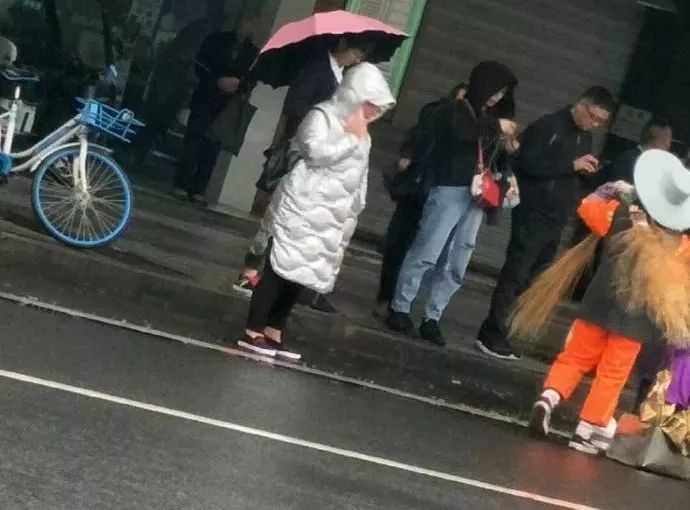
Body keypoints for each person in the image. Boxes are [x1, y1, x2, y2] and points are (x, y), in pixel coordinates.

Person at [509, 149, 690, 455]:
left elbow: (586, 209)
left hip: (597, 303)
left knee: (575, 357)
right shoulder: (681, 246)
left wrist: (607, 191)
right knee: (612, 372)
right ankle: (586, 430)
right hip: (636, 320)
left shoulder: (620, 214)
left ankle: (549, 397)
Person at [236, 62, 395, 359]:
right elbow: (315, 153)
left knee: (301, 274)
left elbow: (359, 176)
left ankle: (274, 330)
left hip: (331, 215)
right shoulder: (321, 116)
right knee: (278, 269)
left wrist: (354, 209)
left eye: (377, 107)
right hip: (301, 205)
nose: (374, 112)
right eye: (370, 104)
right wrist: (350, 138)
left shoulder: (364, 134)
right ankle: (253, 330)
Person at [476, 86, 616, 360]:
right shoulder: (549, 125)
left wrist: (587, 173)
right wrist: (570, 165)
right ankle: (491, 331)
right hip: (533, 211)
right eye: (592, 116)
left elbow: (570, 171)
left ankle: (507, 330)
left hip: (557, 216)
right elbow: (528, 163)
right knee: (516, 272)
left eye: (601, 122)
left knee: (533, 278)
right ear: (581, 103)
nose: (594, 124)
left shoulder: (584, 138)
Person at [386, 61, 518, 346]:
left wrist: (506, 147)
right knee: (427, 251)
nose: (497, 97)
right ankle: (400, 307)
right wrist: (495, 126)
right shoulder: (456, 109)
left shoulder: (486, 117)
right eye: (496, 90)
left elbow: (490, 152)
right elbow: (460, 132)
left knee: (458, 258)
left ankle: (433, 316)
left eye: (503, 93)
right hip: (449, 188)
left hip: (477, 195)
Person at [232, 37, 368, 313]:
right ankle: (249, 272)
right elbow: (295, 105)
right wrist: (324, 118)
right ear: (345, 48)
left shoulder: (341, 76)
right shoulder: (317, 69)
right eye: (356, 52)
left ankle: (281, 280)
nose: (357, 58)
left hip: (318, 158)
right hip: (299, 150)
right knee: (276, 216)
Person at [374, 83, 468, 318]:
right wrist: (408, 156)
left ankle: (401, 301)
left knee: (424, 249)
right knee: (401, 243)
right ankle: (388, 298)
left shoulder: (472, 127)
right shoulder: (436, 112)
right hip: (418, 187)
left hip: (439, 190)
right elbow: (416, 137)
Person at [173, 12, 259, 201]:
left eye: (247, 23)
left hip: (226, 105)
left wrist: (238, 84)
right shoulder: (216, 40)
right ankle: (181, 183)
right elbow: (200, 65)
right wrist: (216, 81)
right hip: (205, 96)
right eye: (241, 21)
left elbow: (252, 79)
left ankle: (199, 189)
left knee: (211, 147)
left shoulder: (253, 54)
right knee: (192, 141)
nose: (242, 25)